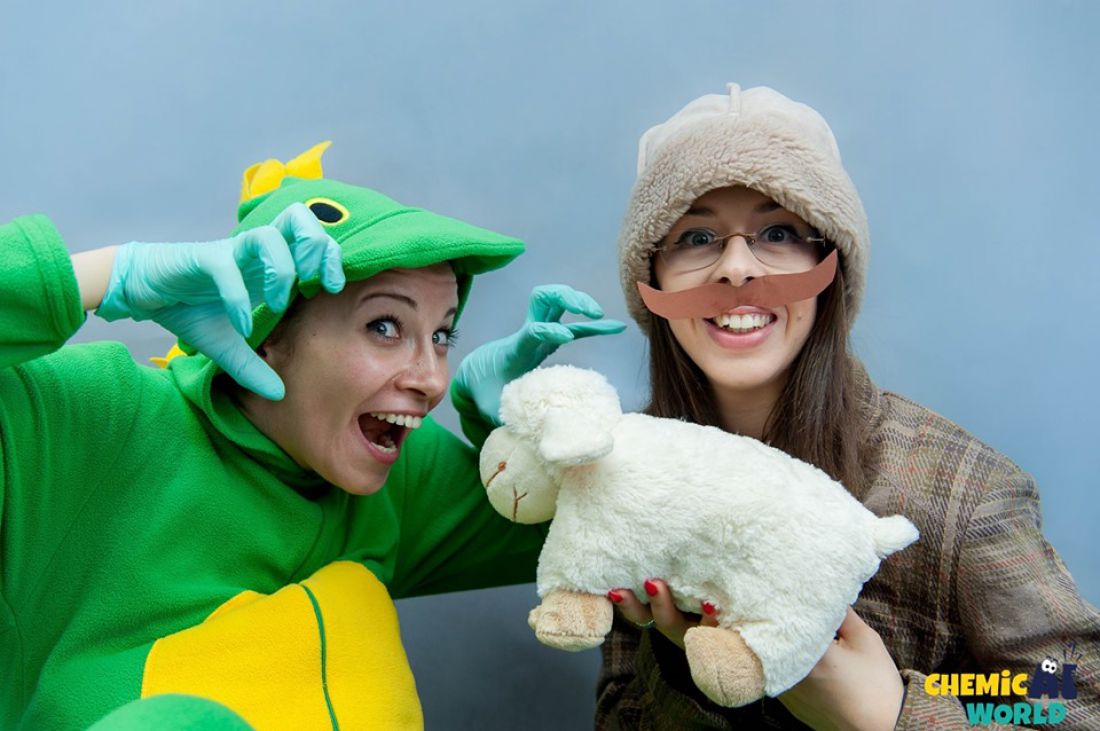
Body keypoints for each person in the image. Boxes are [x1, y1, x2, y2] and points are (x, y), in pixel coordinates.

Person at [455, 85, 1099, 729]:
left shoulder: (962, 494)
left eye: (780, 232)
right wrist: (686, 666)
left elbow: (1072, 699)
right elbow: (618, 712)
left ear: (829, 265)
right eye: (696, 236)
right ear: (653, 280)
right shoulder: (622, 472)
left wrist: (895, 714)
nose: (736, 268)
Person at [0, 142, 621, 730]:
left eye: (441, 336)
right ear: (267, 334)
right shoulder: (100, 419)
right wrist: (105, 274)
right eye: (385, 326)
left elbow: (593, 535)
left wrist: (505, 436)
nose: (432, 379)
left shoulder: (398, 478)